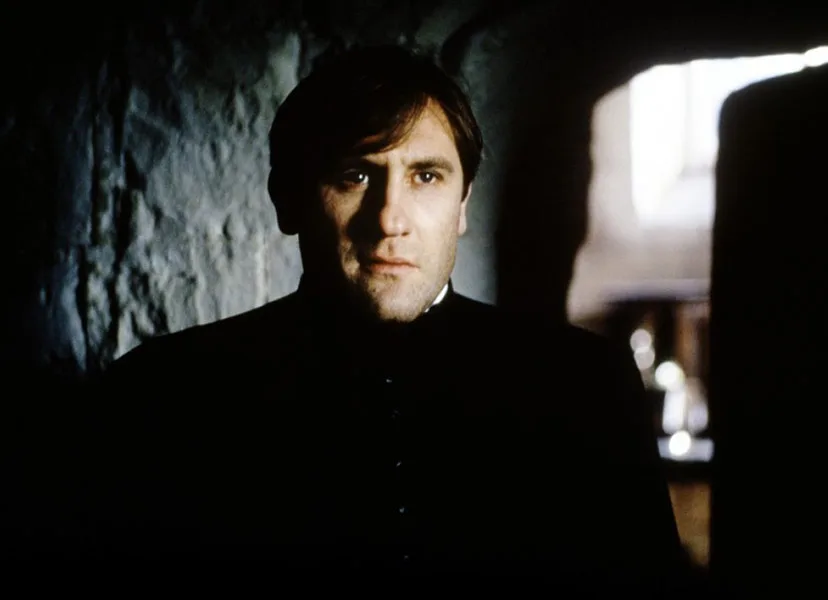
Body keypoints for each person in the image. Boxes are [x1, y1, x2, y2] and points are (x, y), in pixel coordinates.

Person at [80, 45, 684, 591]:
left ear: (462, 204)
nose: (390, 219)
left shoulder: (585, 384)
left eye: (426, 176)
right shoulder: (166, 392)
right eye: (356, 174)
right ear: (288, 200)